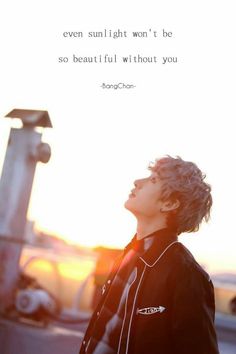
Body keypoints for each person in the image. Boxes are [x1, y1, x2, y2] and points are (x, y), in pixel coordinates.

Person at [79, 156, 219, 354]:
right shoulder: (126, 258)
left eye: (153, 180)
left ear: (169, 203)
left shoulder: (186, 275)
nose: (137, 182)